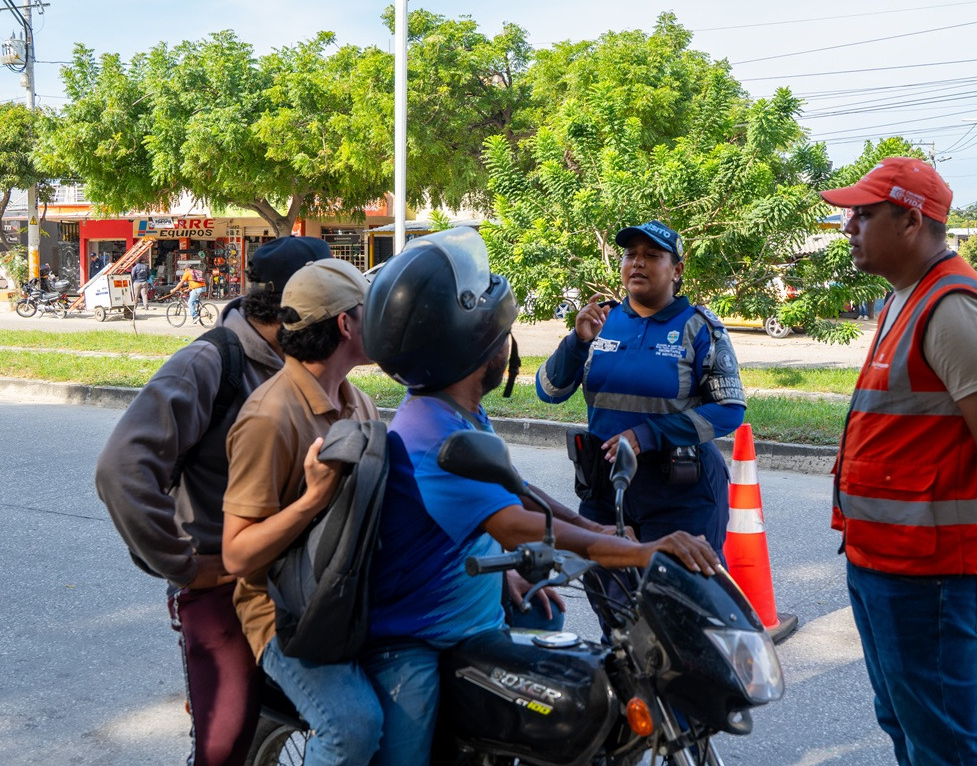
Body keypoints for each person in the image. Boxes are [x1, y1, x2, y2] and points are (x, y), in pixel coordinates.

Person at [361, 227, 722, 766]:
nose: (509, 343)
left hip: (475, 609)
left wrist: (601, 531)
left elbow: (516, 487)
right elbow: (514, 522)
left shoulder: (455, 409)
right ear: (476, 348)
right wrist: (639, 550)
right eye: (504, 332)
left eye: (653, 256)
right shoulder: (433, 432)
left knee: (565, 664)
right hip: (416, 637)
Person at [820, 157, 977, 766]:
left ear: (909, 220)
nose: (849, 227)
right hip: (884, 560)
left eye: (863, 215)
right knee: (906, 723)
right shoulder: (904, 299)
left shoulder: (952, 309)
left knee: (945, 744)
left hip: (929, 573)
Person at [94, 235, 331, 766]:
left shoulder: (307, 365)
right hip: (222, 586)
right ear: (304, 307)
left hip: (299, 584)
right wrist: (182, 565)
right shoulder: (208, 363)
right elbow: (121, 470)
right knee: (222, 747)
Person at [220, 258, 383, 766]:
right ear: (345, 324)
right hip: (285, 614)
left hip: (346, 593)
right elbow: (238, 555)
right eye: (371, 310)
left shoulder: (357, 402)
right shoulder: (270, 415)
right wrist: (312, 499)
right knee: (353, 729)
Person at [535, 220, 746, 563]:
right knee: (611, 599)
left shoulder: (700, 327)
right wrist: (577, 342)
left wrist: (647, 435)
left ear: (676, 270)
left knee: (679, 601)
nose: (637, 262)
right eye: (630, 254)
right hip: (605, 490)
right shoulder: (602, 320)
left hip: (678, 493)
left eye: (651, 255)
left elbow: (729, 410)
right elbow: (549, 391)